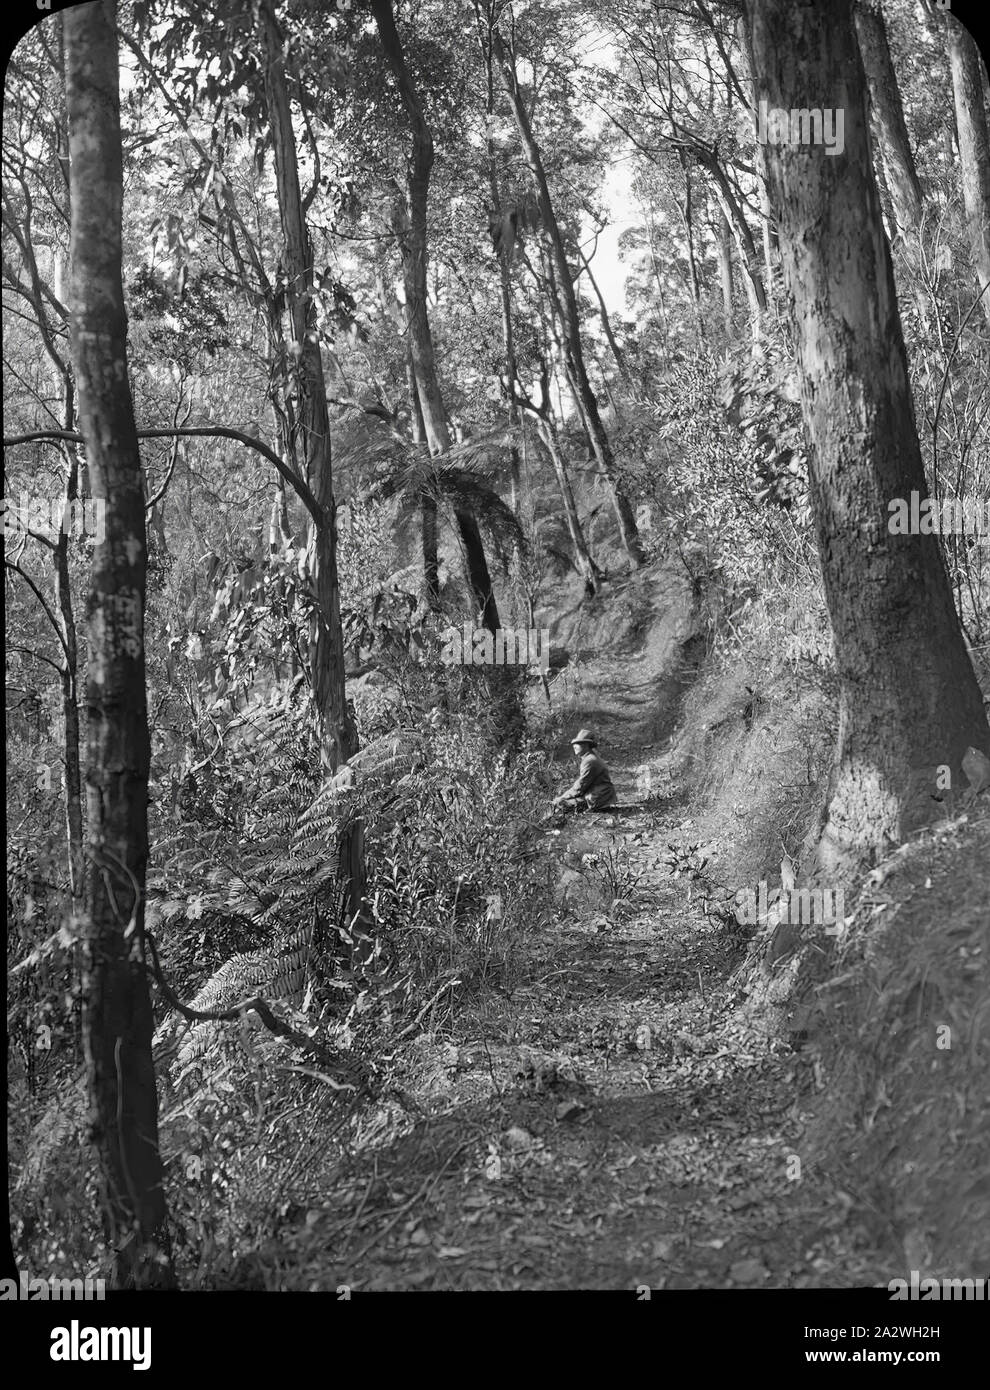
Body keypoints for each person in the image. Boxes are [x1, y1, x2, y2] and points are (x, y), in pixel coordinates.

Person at [552, 728, 617, 819]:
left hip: (597, 798)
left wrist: (562, 798)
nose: (574, 746)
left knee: (560, 805)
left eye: (578, 743)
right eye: (574, 743)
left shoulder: (590, 761)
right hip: (601, 796)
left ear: (586, 745)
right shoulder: (590, 758)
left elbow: (580, 787)